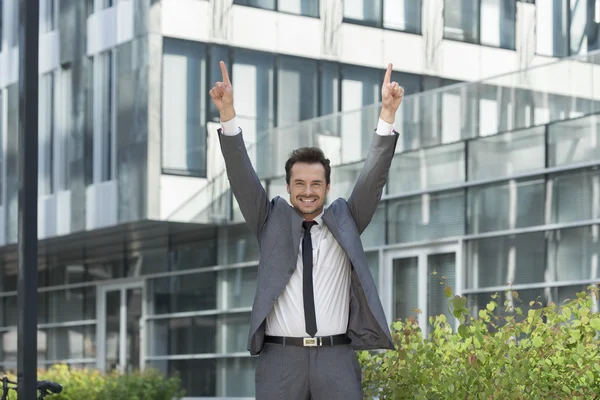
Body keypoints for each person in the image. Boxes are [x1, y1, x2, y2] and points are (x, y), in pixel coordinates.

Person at [210, 61, 403, 400]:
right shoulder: (269, 221)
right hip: (281, 362)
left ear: (327, 188)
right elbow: (241, 178)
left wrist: (387, 115)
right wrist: (228, 114)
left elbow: (373, 178)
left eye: (316, 183)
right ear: (288, 187)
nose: (308, 190)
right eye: (299, 183)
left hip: (336, 360)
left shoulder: (346, 220)